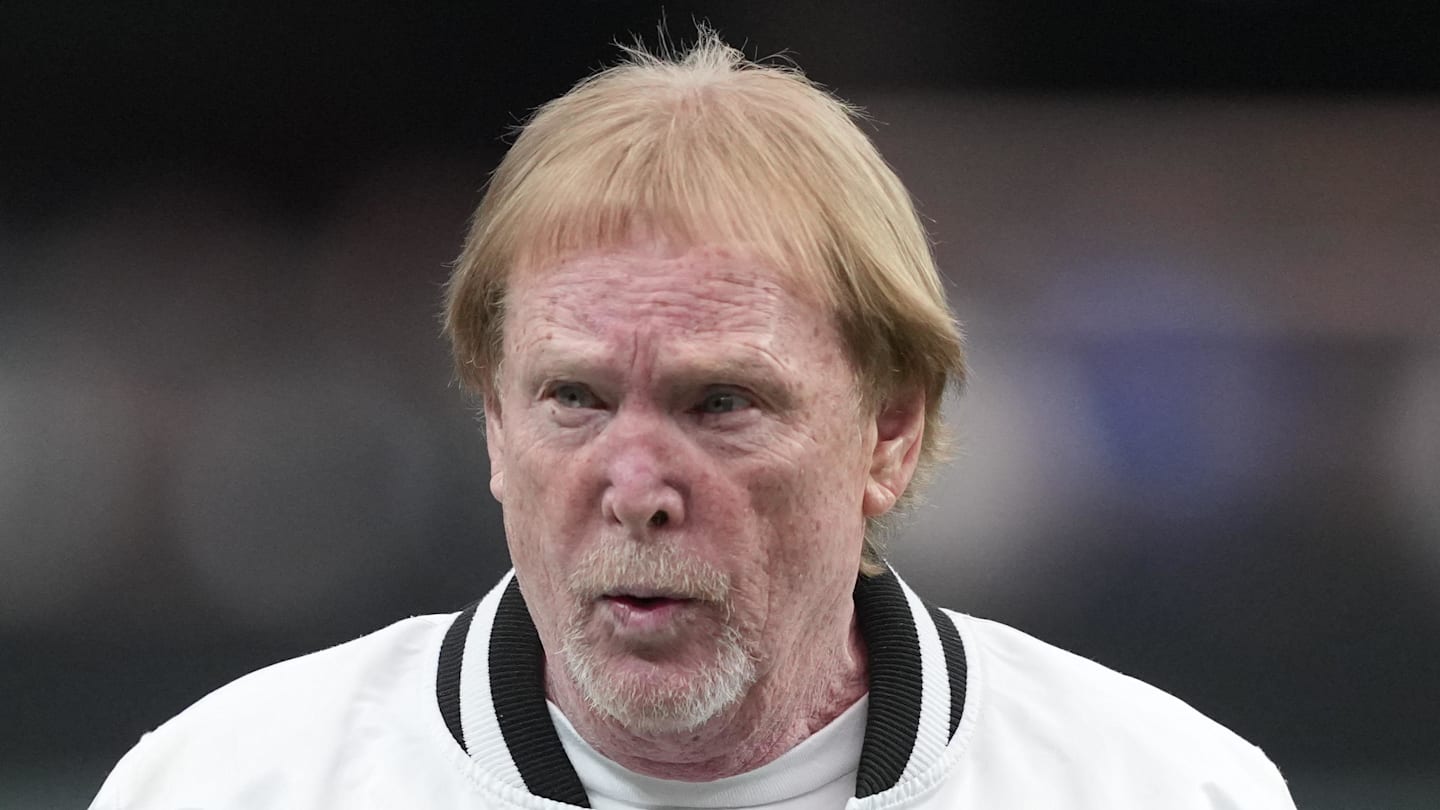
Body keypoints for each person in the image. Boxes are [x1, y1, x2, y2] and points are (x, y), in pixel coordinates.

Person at [90, 33, 1297, 810]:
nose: (636, 485)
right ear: (494, 427)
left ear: (889, 432)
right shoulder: (227, 786)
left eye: (721, 403)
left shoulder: (1162, 789)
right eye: (573, 398)